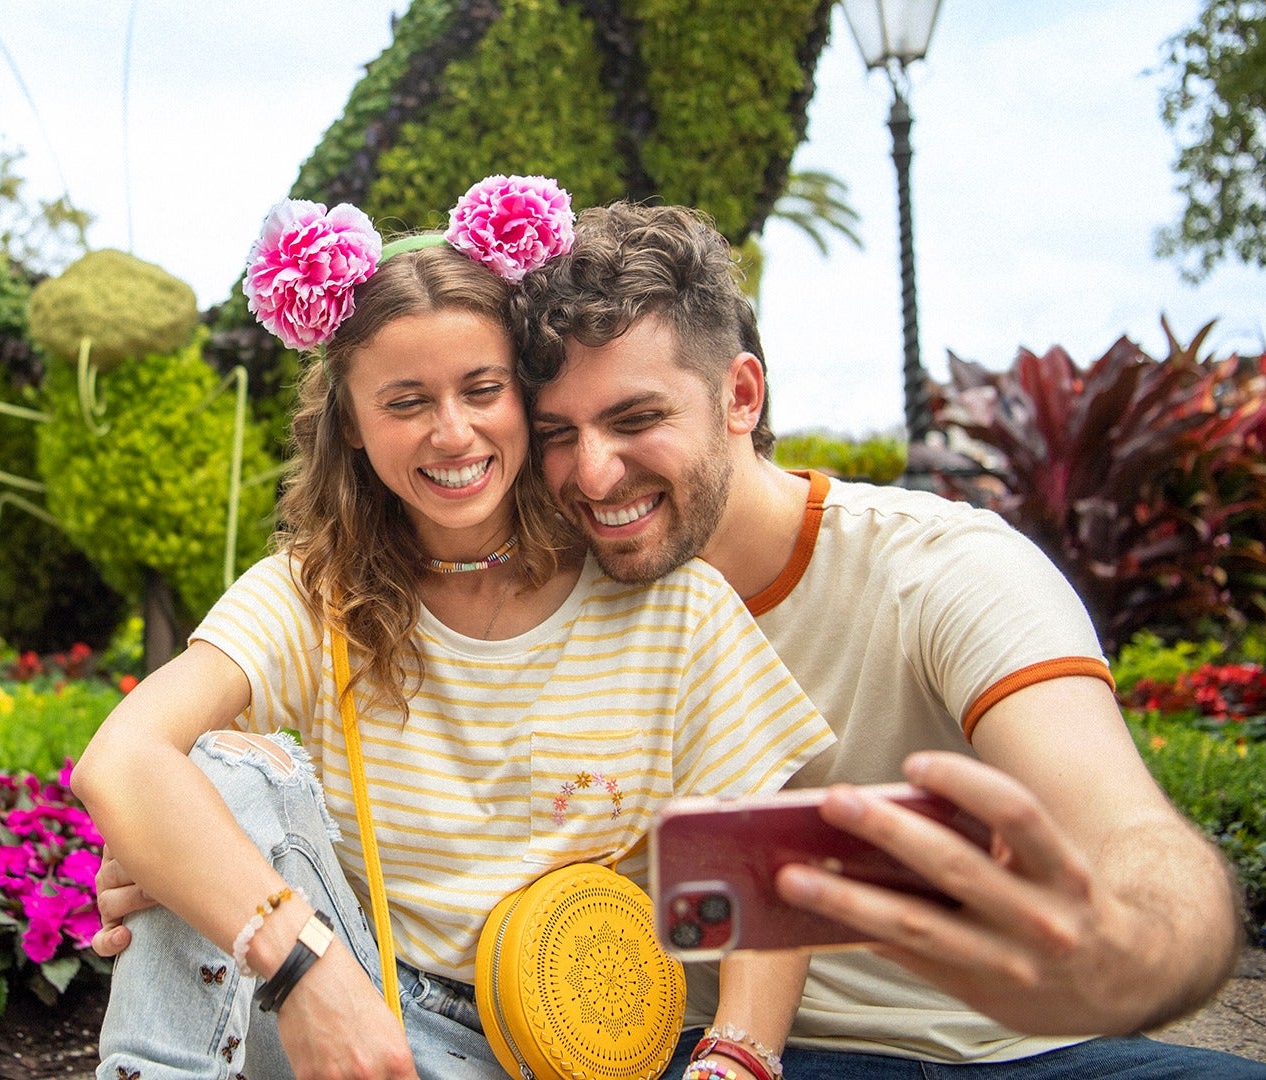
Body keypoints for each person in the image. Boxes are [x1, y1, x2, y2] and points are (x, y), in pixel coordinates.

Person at [70, 179, 835, 1080]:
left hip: (586, 1047)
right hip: (361, 1020)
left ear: (526, 396)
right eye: (404, 402)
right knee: (214, 771)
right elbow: (120, 760)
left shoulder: (671, 608)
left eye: (483, 389)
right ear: (349, 424)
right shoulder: (313, 594)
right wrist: (309, 973)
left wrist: (737, 1061)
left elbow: (760, 851)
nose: (452, 432)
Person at [510, 199, 1258, 1077]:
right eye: (558, 435)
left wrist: (1128, 957)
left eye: (636, 420)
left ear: (739, 395)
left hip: (1015, 1052)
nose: (592, 474)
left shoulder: (944, 570)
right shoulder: (551, 597)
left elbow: (1135, 835)